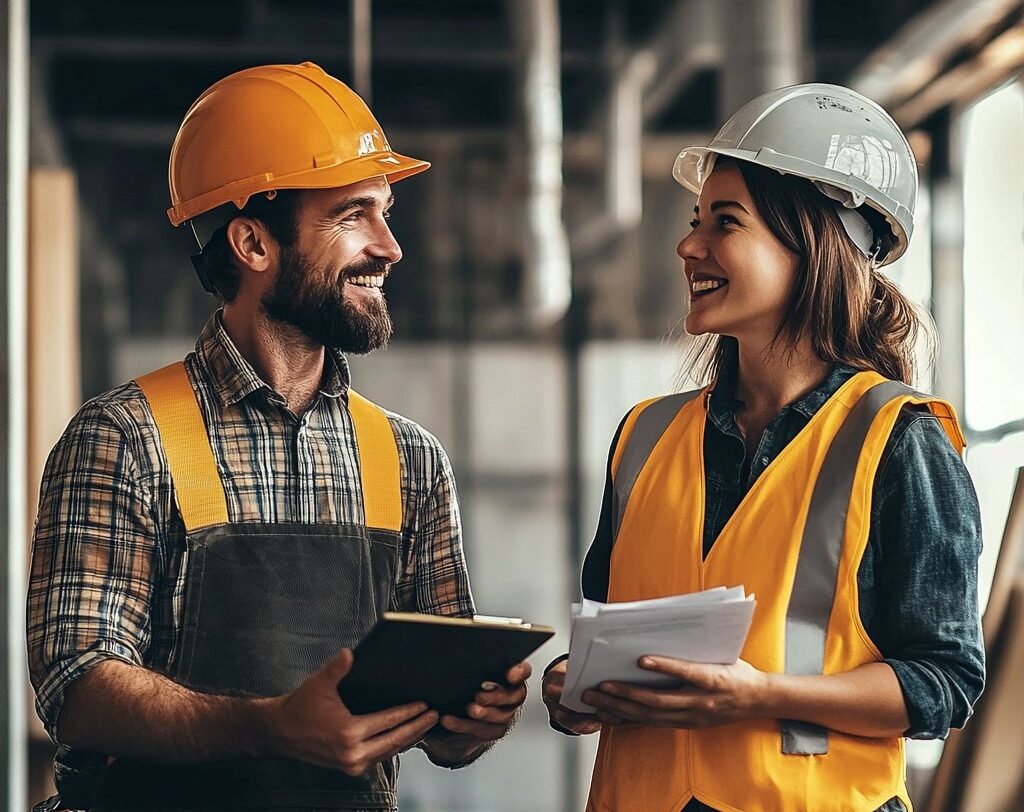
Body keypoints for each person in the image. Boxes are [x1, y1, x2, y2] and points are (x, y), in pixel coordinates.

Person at [27, 62, 530, 812]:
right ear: (253, 244)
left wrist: (471, 720)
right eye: (353, 214)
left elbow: (440, 727)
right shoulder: (125, 438)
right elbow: (76, 685)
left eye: (386, 211)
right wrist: (270, 728)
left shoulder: (409, 460)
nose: (390, 246)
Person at [542, 83, 985, 811]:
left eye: (726, 222)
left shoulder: (901, 440)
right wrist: (578, 687)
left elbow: (944, 683)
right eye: (696, 220)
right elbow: (607, 636)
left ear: (813, 244)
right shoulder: (645, 436)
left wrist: (759, 697)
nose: (689, 245)